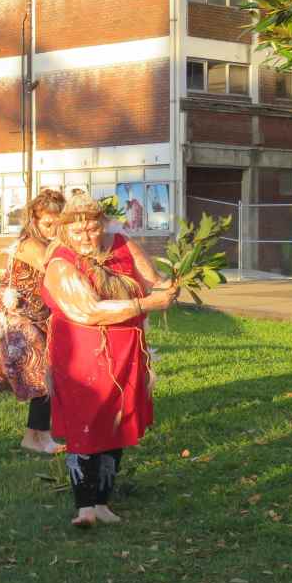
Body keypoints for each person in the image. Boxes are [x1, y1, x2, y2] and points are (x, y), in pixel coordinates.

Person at [41, 192, 178, 527]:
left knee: (116, 422)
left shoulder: (121, 244)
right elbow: (88, 310)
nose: (86, 237)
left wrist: (171, 285)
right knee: (86, 422)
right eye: (78, 231)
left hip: (125, 350)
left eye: (92, 229)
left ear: (102, 224)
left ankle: (102, 502)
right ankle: (84, 507)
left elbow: (153, 282)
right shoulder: (61, 262)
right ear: (65, 230)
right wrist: (145, 305)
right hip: (81, 354)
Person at [0, 188, 66, 454]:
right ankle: (39, 438)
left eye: (59, 224)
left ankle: (35, 437)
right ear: (34, 221)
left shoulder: (51, 244)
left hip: (39, 315)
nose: (54, 229)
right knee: (42, 371)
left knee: (47, 372)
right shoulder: (30, 244)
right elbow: (55, 270)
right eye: (48, 223)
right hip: (17, 317)